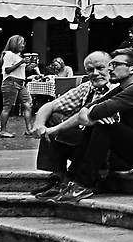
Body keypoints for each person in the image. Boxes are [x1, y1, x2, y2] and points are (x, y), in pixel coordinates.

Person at [34, 45, 133, 202]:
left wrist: (89, 115)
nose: (110, 69)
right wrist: (83, 117)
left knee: (104, 127)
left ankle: (83, 184)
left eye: (115, 64)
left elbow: (93, 112)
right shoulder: (123, 88)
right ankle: (68, 181)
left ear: (132, 69)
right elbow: (88, 110)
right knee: (96, 125)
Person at [26, 52, 112, 197]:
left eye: (100, 68)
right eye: (90, 70)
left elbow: (87, 116)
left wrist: (56, 129)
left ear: (111, 67)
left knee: (88, 125)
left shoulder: (118, 88)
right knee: (52, 116)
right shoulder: (87, 87)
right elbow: (50, 105)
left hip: (108, 148)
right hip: (85, 140)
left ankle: (73, 179)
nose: (95, 73)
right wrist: (39, 125)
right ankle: (59, 175)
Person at [0, 36, 30, 138]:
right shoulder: (9, 54)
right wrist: (21, 62)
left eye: (24, 43)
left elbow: (19, 70)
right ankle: (3, 131)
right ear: (15, 43)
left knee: (28, 104)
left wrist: (27, 66)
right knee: (7, 107)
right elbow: (7, 70)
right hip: (11, 83)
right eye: (21, 43)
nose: (23, 45)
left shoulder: (17, 56)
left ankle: (29, 129)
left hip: (20, 83)